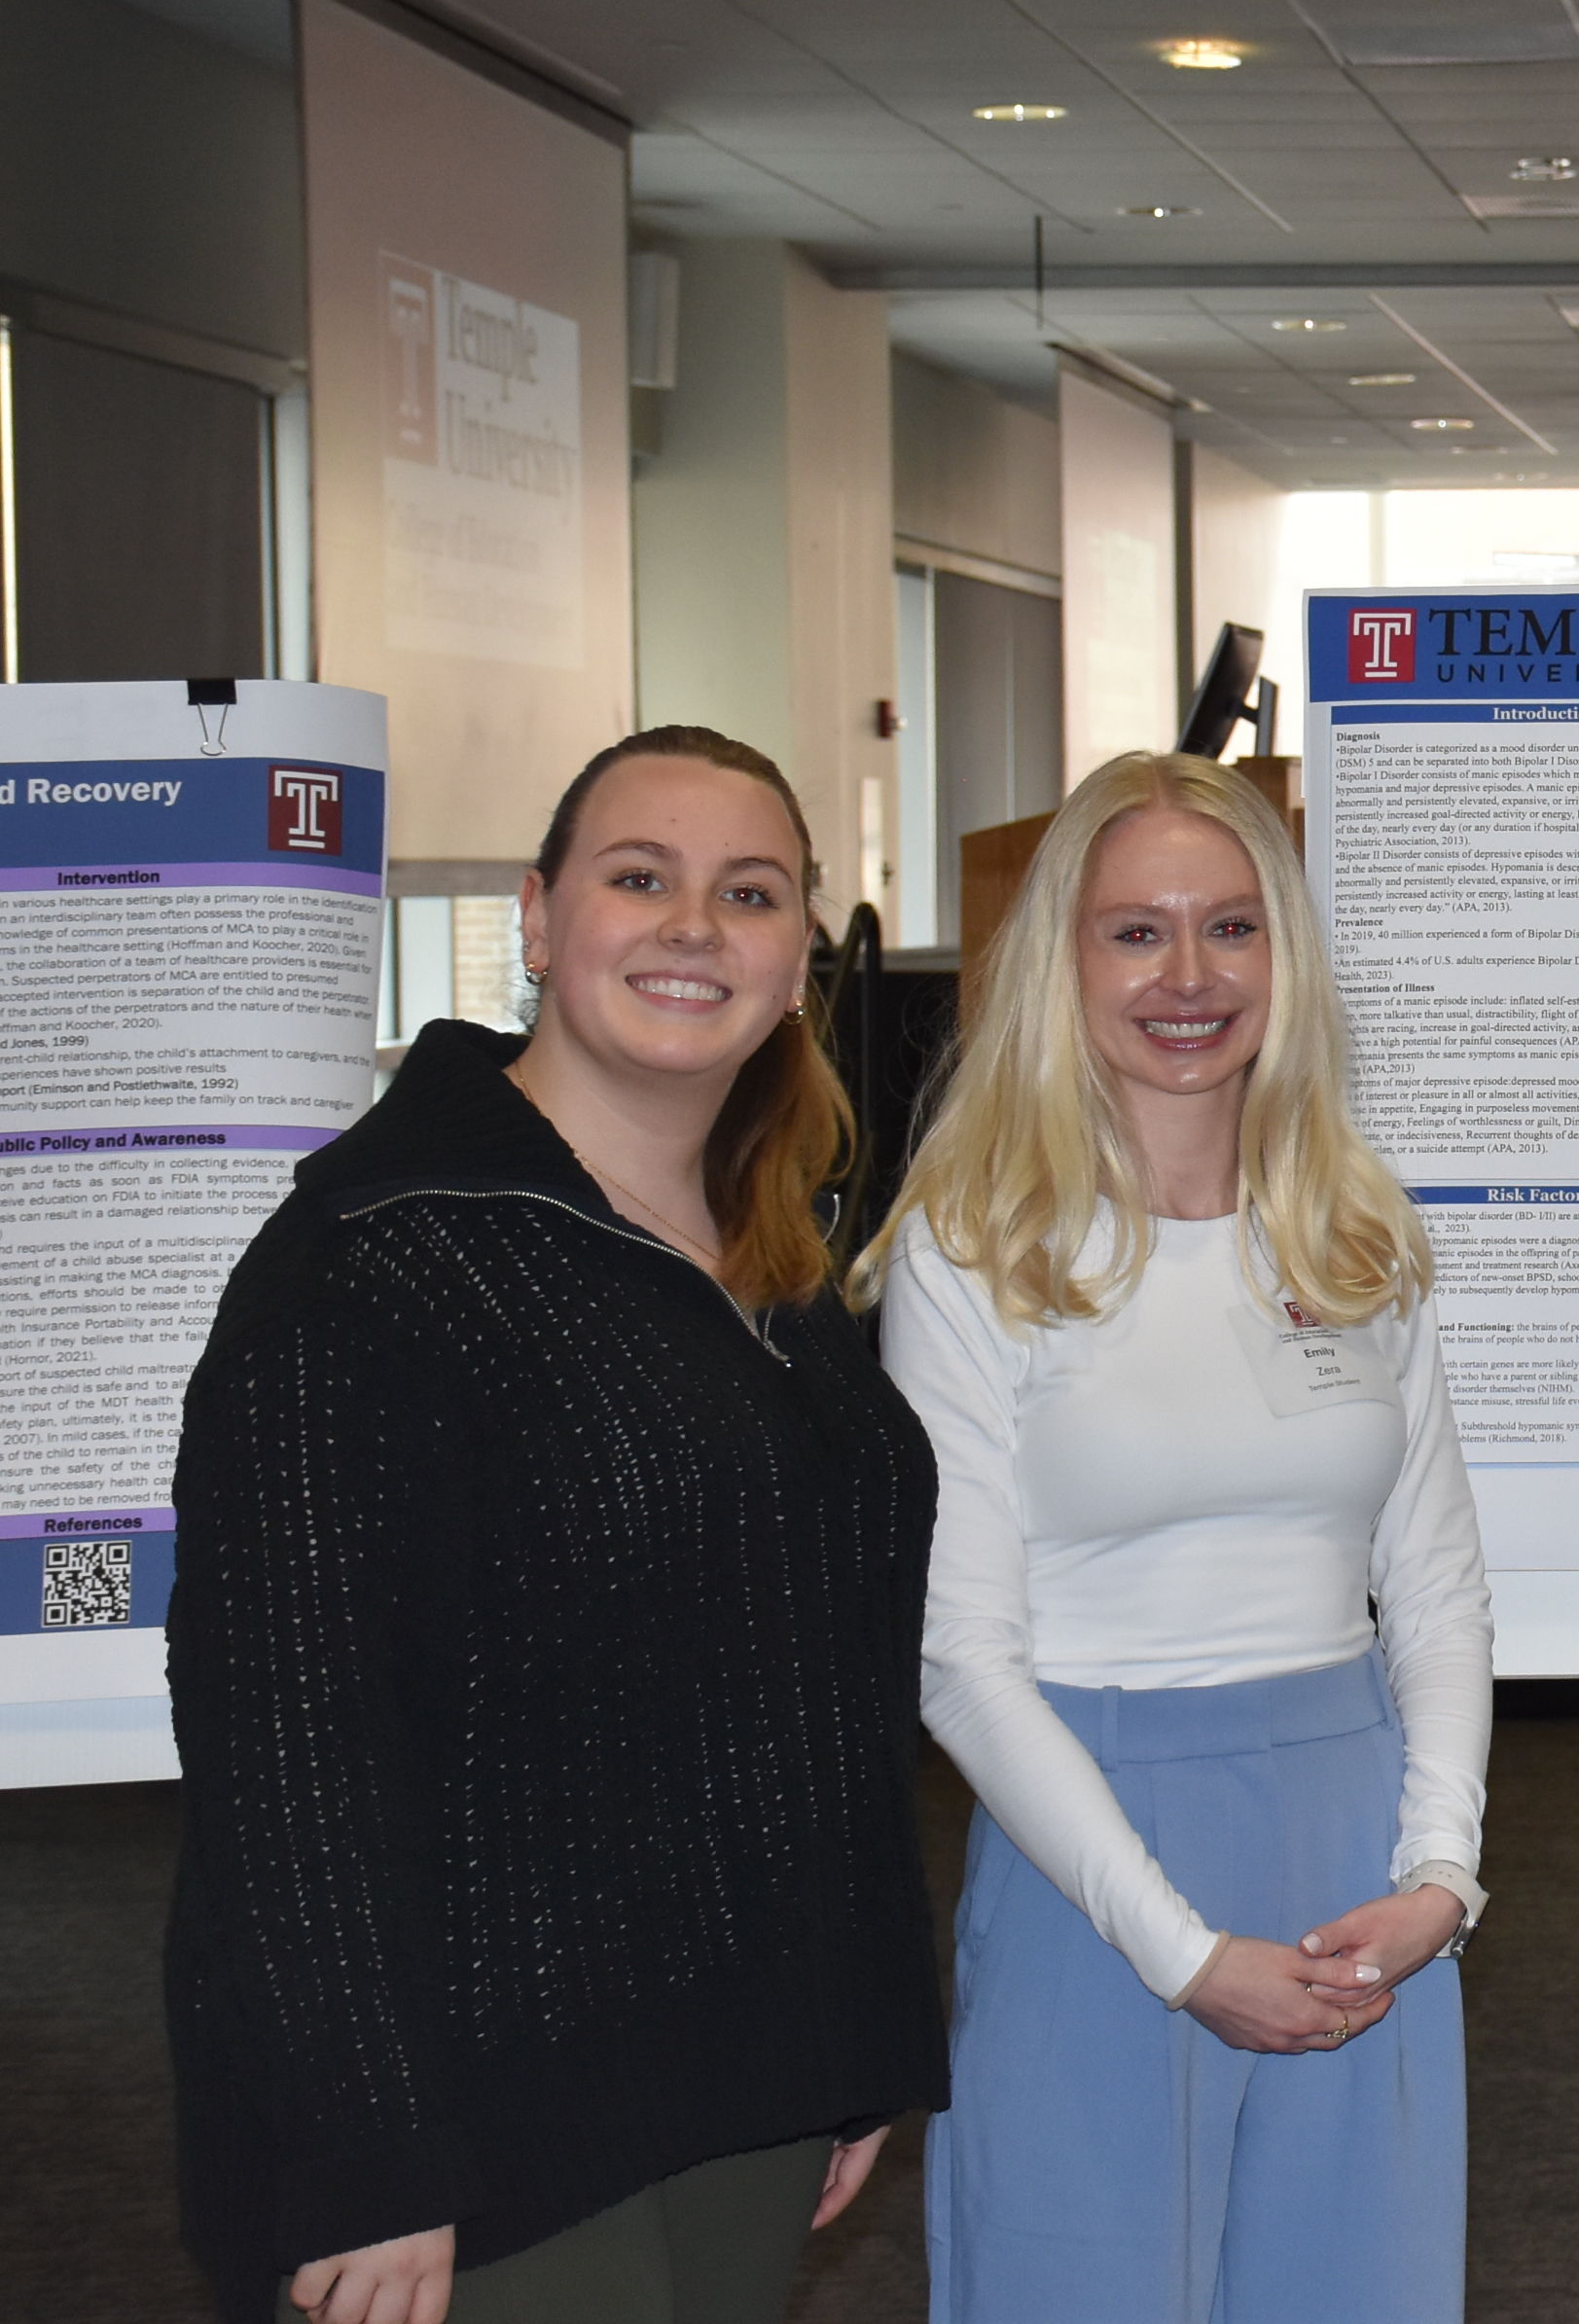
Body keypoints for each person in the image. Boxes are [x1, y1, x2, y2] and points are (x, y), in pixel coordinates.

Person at [165, 728, 943, 2324]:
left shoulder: (769, 1265)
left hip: (741, 2077)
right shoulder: (375, 1260)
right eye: (637, 878)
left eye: (748, 893)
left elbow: (818, 1677)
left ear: (801, 953)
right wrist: (362, 2153)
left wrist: (856, 2031)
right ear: (535, 919)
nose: (691, 927)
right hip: (478, 2129)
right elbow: (287, 1752)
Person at [857, 750, 1489, 2322]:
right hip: (1097, 1857)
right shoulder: (975, 1246)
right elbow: (959, 1660)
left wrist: (1443, 1876)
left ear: (1285, 950)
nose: (1190, 976)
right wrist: (1184, 1950)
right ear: (1062, 964)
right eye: (1136, 932)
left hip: (1356, 1860)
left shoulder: (1355, 1230)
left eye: (1231, 927)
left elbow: (1435, 1585)